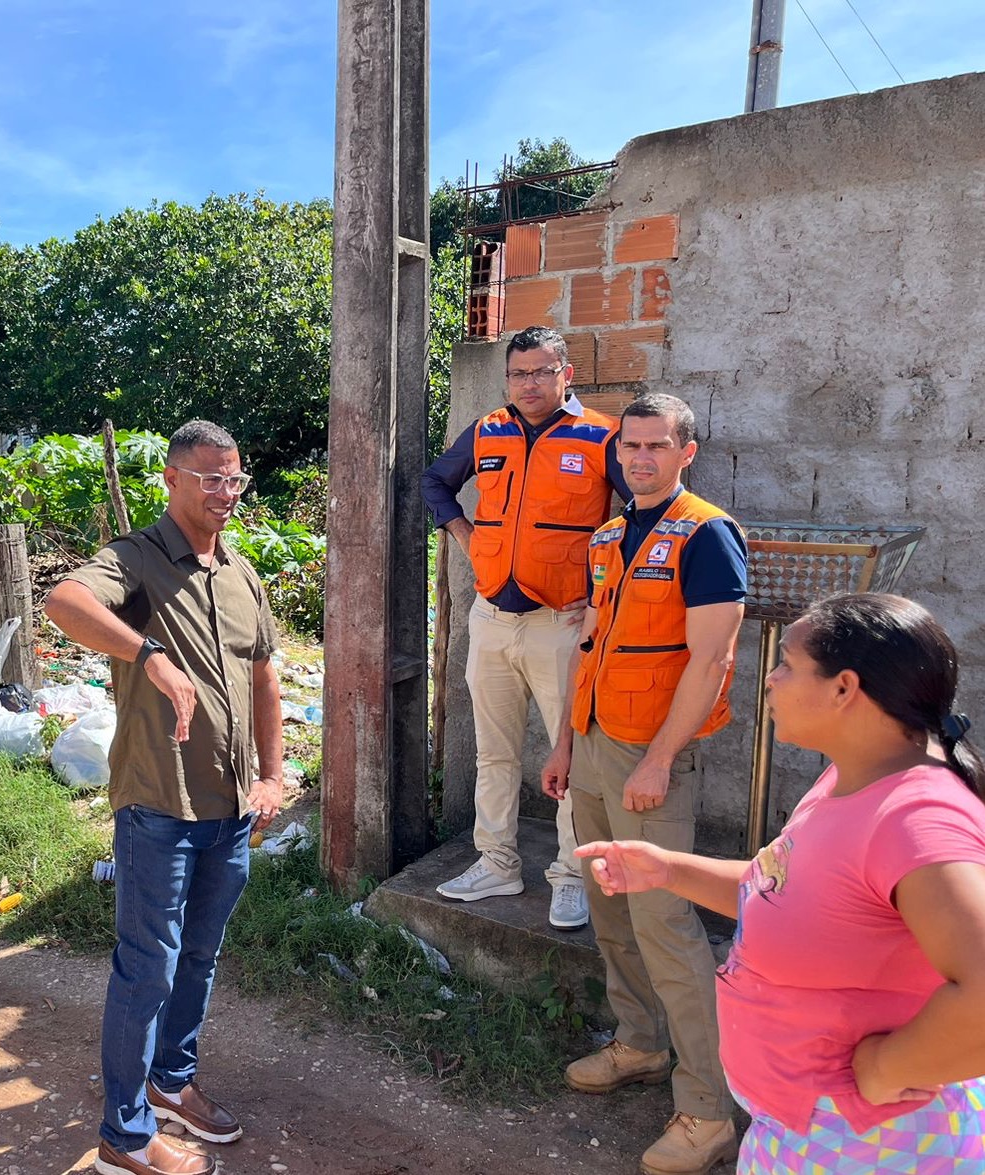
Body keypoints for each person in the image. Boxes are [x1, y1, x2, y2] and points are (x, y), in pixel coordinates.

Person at [578, 593, 985, 1172]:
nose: (769, 678)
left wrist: (887, 1067)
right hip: (811, 1130)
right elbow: (784, 890)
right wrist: (668, 869)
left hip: (873, 1145)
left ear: (844, 688)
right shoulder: (854, 775)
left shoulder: (916, 818)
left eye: (788, 664)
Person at [43, 420, 283, 1175]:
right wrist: (148, 654)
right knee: (147, 965)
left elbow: (265, 678)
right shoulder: (135, 560)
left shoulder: (242, 573)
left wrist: (273, 775)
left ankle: (170, 1083)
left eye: (234, 477)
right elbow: (64, 601)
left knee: (200, 958)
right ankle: (122, 1134)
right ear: (172, 480)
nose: (225, 492)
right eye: (209, 477)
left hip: (231, 810)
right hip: (159, 805)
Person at [542, 393, 747, 1175]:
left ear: (685, 451)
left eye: (656, 446)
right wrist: (564, 741)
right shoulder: (608, 535)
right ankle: (639, 1043)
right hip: (594, 746)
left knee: (666, 926)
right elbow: (590, 648)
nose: (640, 459)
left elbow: (712, 660)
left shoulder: (707, 534)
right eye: (629, 446)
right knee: (609, 906)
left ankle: (706, 1109)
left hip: (650, 756)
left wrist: (662, 757)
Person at [421, 325, 628, 929]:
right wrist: (464, 533)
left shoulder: (600, 436)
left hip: (560, 622)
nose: (529, 384)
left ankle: (570, 877)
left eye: (541, 372)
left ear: (567, 374)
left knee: (575, 759)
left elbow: (640, 511)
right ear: (506, 378)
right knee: (495, 752)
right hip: (491, 618)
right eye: (518, 373)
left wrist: (598, 593)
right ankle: (497, 862)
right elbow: (436, 481)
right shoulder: (488, 429)